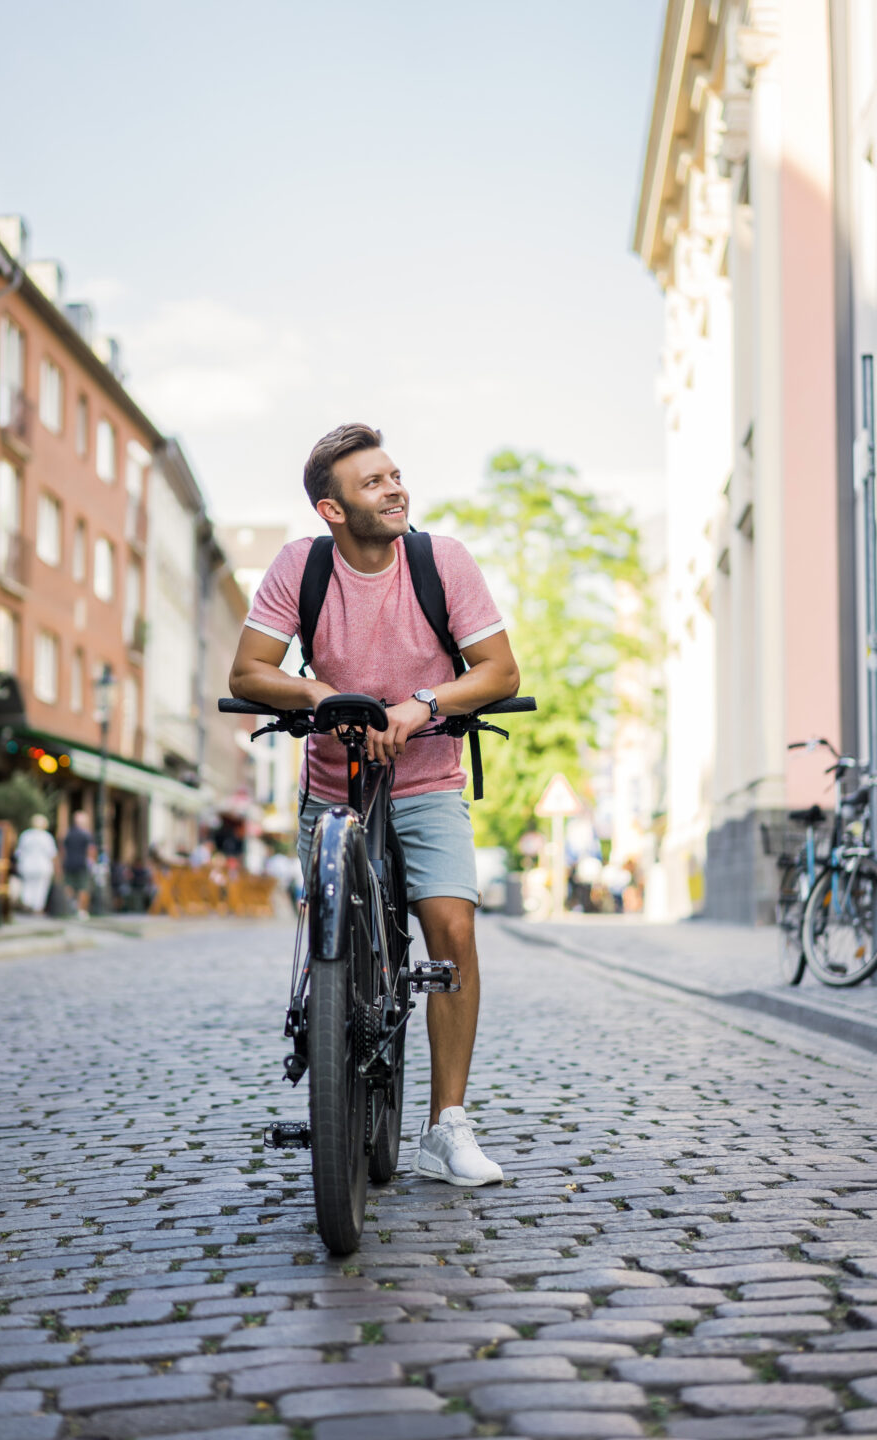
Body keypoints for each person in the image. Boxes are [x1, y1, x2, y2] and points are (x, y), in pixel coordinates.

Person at [229, 422, 520, 1187]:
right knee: (346, 940)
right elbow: (251, 669)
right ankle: (334, 1031)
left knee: (451, 927)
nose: (394, 489)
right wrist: (319, 694)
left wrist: (423, 705)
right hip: (333, 788)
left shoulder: (441, 561)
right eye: (373, 482)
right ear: (331, 509)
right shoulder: (301, 567)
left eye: (395, 476)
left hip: (426, 780)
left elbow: (499, 671)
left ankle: (445, 1127)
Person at [14, 814, 57, 914]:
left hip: (27, 865)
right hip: (42, 865)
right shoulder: (47, 837)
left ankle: (27, 904)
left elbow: (19, 853)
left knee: (27, 885)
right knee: (40, 887)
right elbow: (52, 854)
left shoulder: (26, 835)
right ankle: (37, 907)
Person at [60, 809, 96, 920]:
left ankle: (69, 908)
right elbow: (91, 850)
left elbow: (62, 850)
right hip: (82, 864)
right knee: (83, 887)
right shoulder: (86, 834)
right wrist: (92, 863)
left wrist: (62, 863)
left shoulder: (68, 833)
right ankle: (81, 911)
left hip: (69, 863)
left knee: (68, 886)